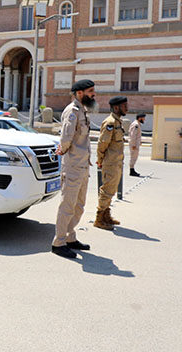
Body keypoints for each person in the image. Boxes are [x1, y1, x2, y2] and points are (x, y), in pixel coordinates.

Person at [51, 79, 96, 259]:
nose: (94, 94)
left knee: (79, 205)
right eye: (91, 91)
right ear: (79, 93)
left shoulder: (83, 111)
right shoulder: (72, 112)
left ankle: (70, 238)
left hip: (83, 165)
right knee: (67, 206)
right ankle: (58, 243)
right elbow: (66, 138)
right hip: (73, 167)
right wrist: (63, 151)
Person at [94, 95, 128, 230]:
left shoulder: (118, 122)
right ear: (116, 107)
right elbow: (102, 143)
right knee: (107, 191)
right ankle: (99, 218)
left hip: (117, 162)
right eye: (124, 106)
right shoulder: (110, 122)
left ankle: (106, 215)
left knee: (111, 190)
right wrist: (100, 160)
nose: (127, 108)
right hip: (110, 163)